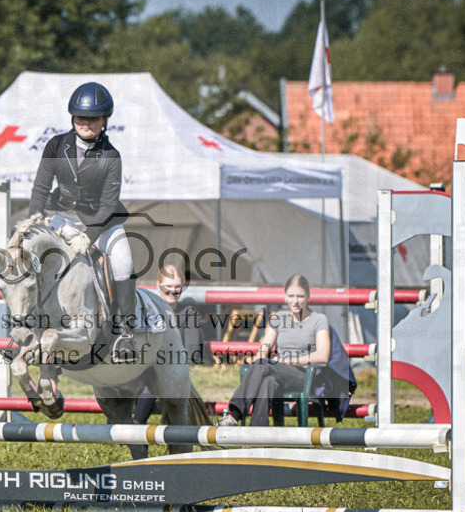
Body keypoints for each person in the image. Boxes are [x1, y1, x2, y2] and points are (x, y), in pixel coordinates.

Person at [29, 81, 138, 362]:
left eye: (92, 118)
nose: (85, 123)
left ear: (104, 121)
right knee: (33, 255)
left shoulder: (111, 156)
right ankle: (27, 324)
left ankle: (124, 332)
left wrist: (88, 236)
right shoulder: (56, 145)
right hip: (63, 216)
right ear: (72, 118)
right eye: (80, 117)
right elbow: (41, 187)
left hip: (102, 222)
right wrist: (34, 219)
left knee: (124, 263)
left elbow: (108, 204)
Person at [220, 274, 331, 426]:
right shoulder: (279, 317)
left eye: (300, 296)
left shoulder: (318, 319)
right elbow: (265, 346)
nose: (295, 301)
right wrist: (258, 361)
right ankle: (257, 431)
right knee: (268, 381)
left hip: (303, 376)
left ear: (308, 296)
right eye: (291, 296)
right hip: (276, 372)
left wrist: (287, 361)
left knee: (265, 365)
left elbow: (323, 356)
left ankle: (235, 414)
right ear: (285, 296)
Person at [133, 264, 206, 423]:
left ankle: (136, 426)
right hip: (142, 371)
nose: (173, 291)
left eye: (177, 287)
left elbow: (192, 354)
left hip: (172, 373)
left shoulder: (188, 314)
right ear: (158, 286)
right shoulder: (148, 312)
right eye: (168, 287)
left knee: (154, 377)